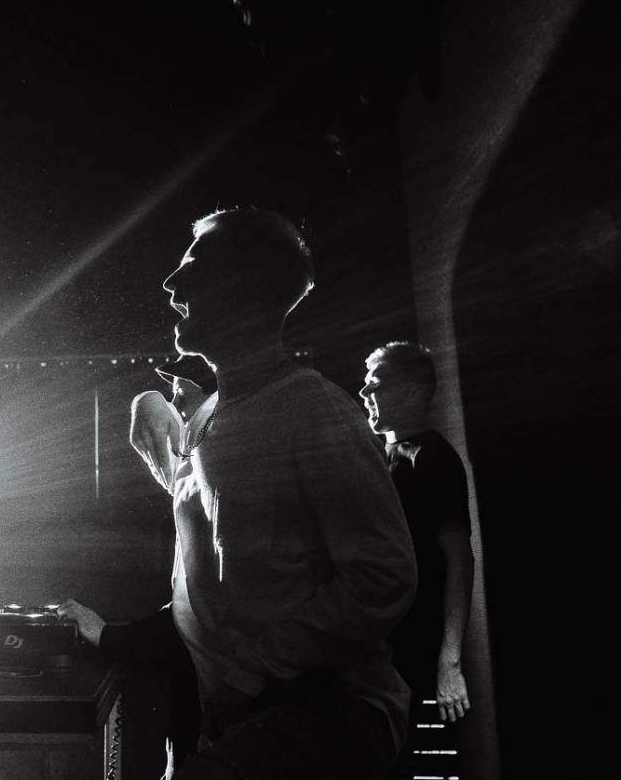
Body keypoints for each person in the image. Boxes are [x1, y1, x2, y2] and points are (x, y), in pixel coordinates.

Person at [158, 208, 417, 780]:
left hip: (334, 710)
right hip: (248, 719)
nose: (172, 285)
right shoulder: (211, 418)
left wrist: (255, 673)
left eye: (193, 267)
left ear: (244, 286)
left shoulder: (314, 410)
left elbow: (385, 575)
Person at [58, 354, 216, 779]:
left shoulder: (217, 471)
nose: (173, 410)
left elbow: (203, 615)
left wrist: (107, 635)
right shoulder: (197, 473)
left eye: (180, 398)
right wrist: (145, 400)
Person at [359, 342, 474, 776]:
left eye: (375, 383)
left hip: (417, 653)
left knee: (420, 764)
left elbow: (459, 560)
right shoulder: (378, 458)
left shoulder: (433, 458)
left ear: (410, 390)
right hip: (379, 651)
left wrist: (449, 662)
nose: (364, 392)